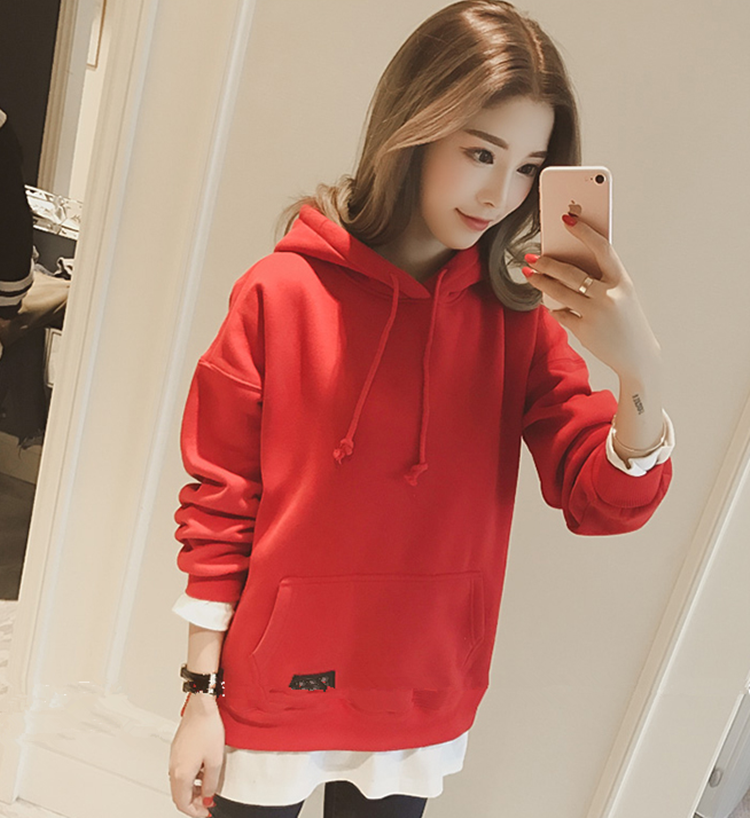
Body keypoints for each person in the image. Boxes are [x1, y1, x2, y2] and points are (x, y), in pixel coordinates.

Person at [168, 2, 674, 816]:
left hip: (421, 694)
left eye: (527, 168)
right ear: (415, 128)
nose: (499, 194)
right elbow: (222, 501)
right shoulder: (280, 293)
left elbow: (601, 501)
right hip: (274, 685)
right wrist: (200, 692)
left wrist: (638, 367)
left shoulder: (517, 323)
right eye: (480, 152)